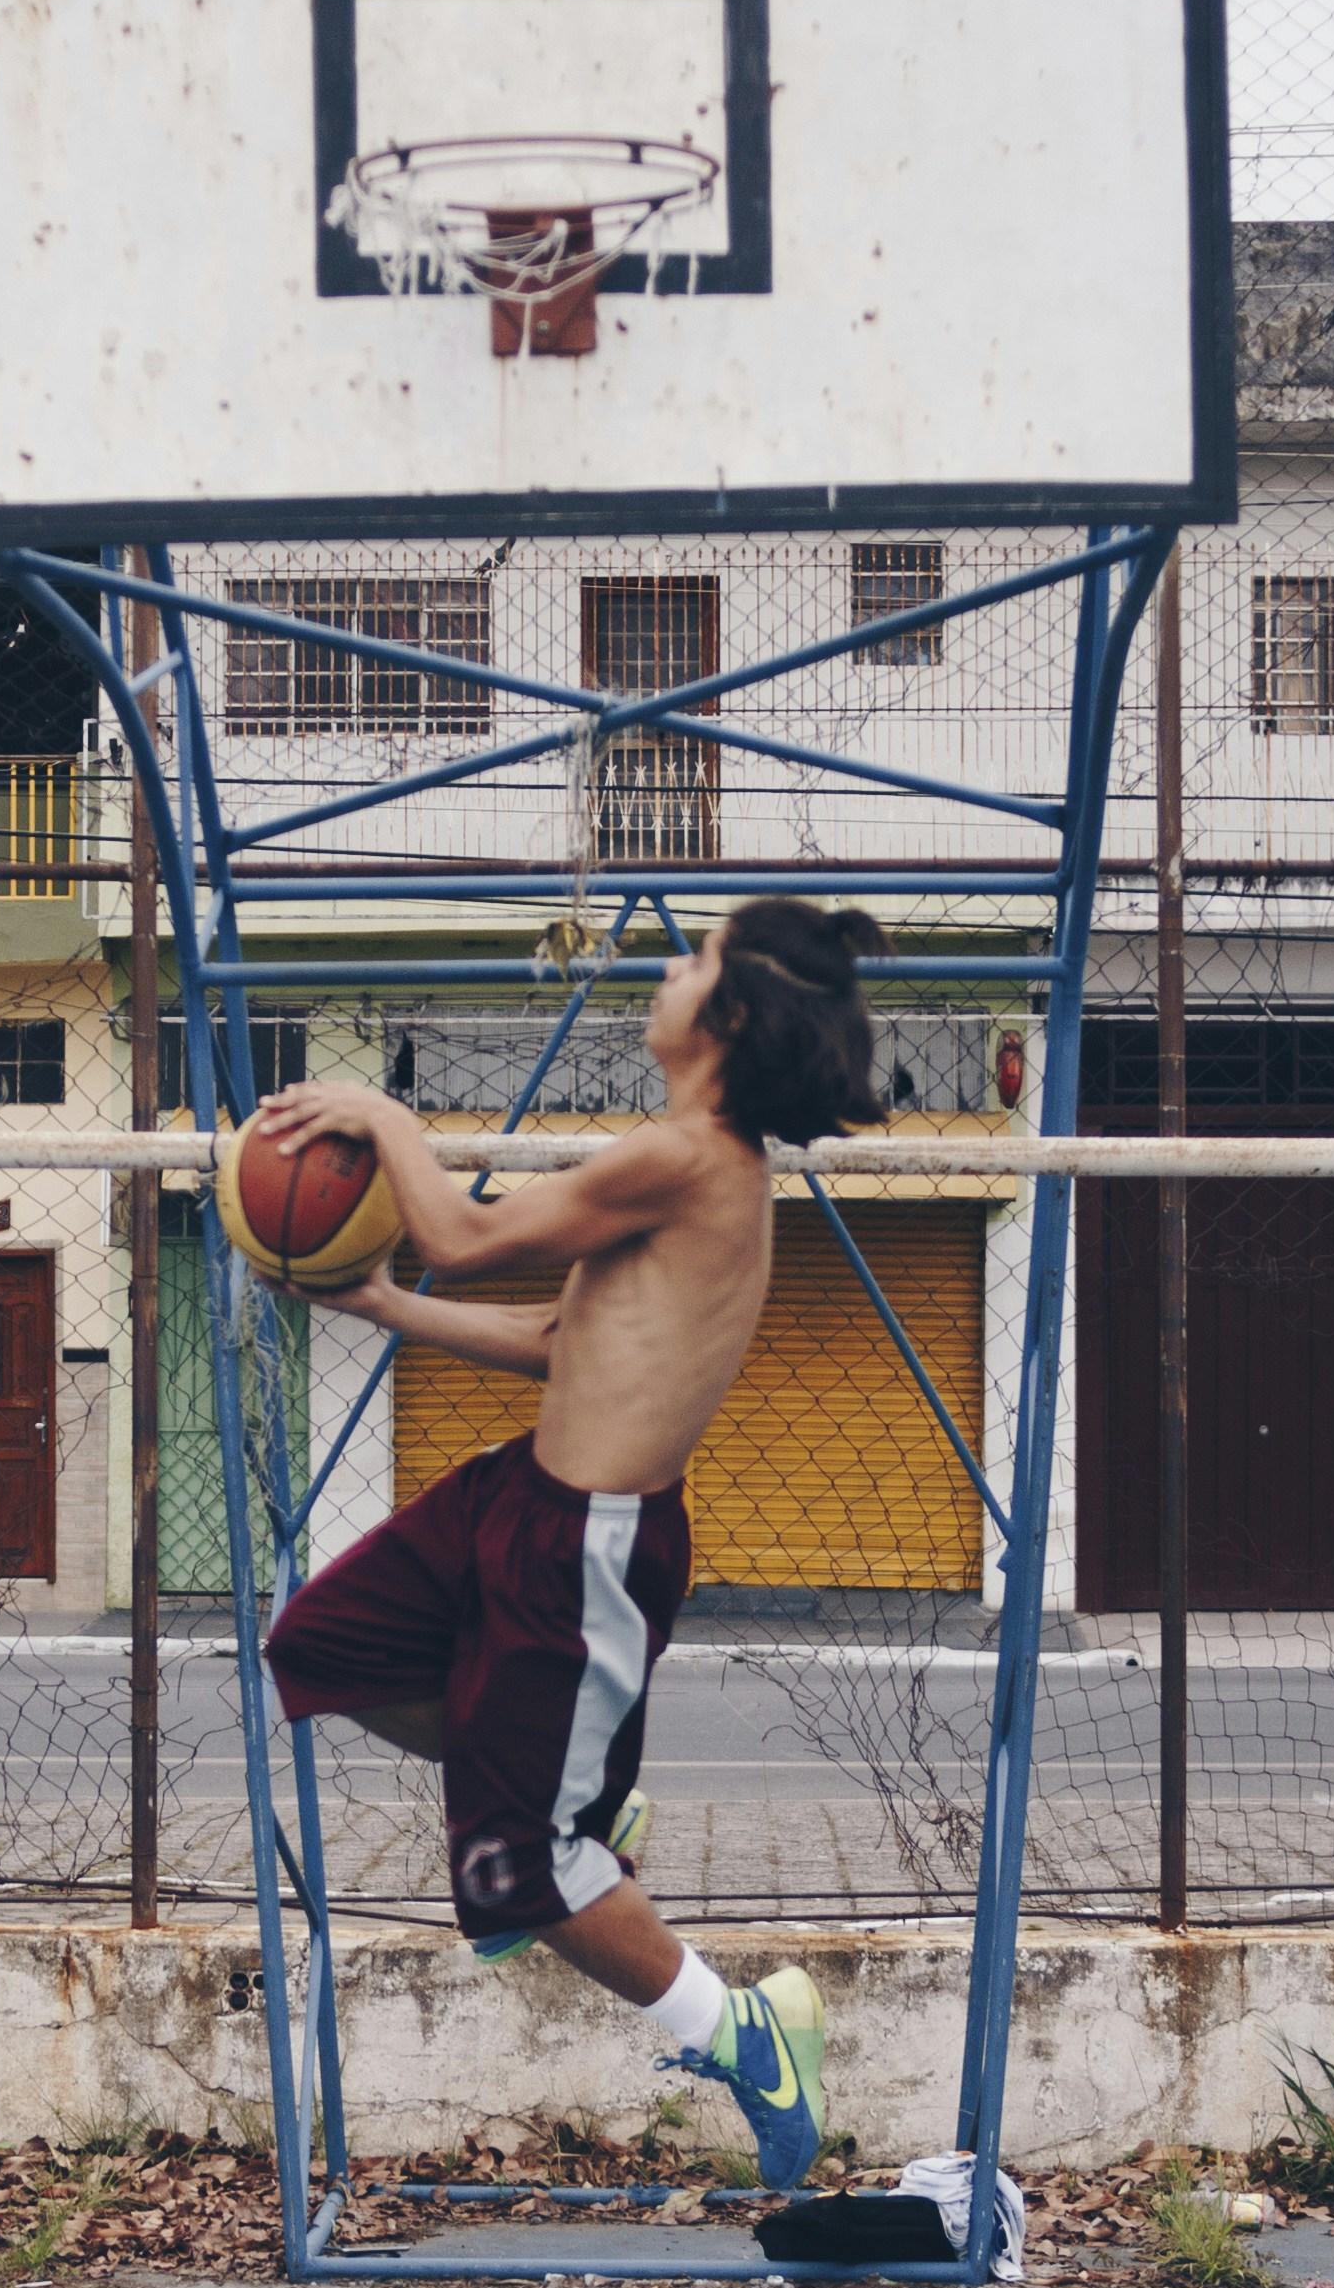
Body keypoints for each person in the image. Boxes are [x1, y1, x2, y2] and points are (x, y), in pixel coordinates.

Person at [238, 896, 893, 2190]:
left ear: (733, 1018)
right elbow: (554, 1339)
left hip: (588, 1546)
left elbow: (463, 1234)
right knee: (320, 1640)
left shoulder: (693, 1156)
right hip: (518, 1502)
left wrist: (384, 1119)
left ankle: (744, 2029)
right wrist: (376, 1304)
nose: (668, 967)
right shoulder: (681, 1161)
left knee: (522, 1870)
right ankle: (573, 1799)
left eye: (695, 959)